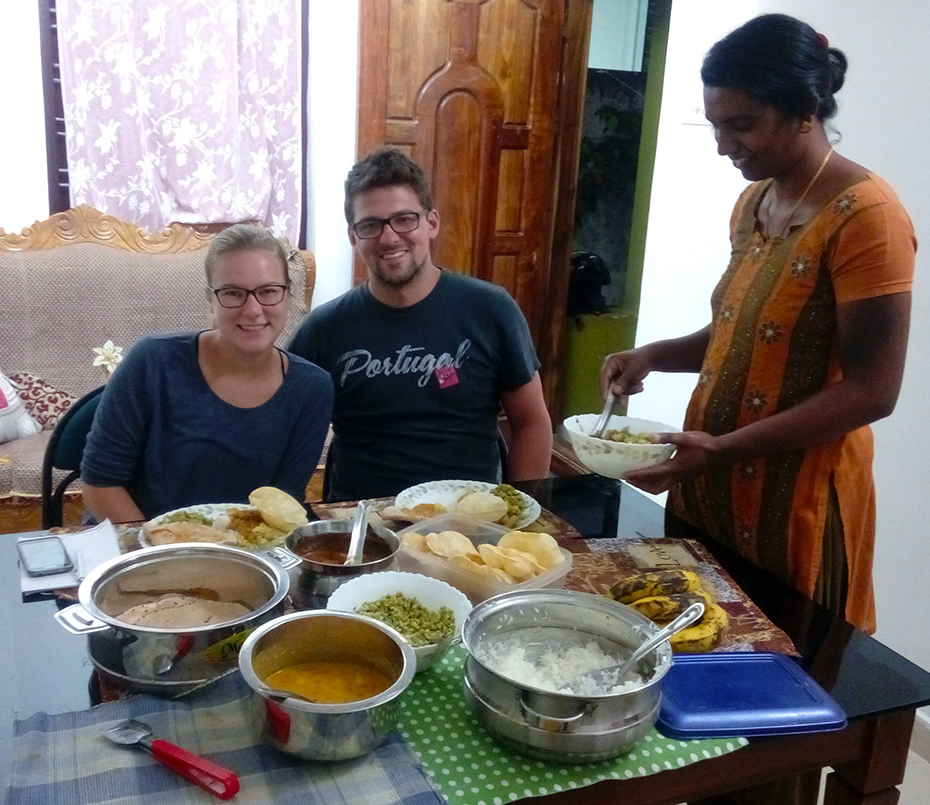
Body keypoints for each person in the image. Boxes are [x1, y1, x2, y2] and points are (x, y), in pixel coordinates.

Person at [602, 14, 915, 637]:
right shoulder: (755, 202)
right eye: (718, 124)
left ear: (804, 110)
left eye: (742, 124)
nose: (724, 144)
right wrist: (653, 355)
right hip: (710, 486)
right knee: (695, 642)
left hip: (793, 502)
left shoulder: (866, 217)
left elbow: (873, 391)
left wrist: (722, 449)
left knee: (790, 666)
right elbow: (744, 334)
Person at [289, 147, 552, 501]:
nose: (389, 237)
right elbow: (281, 423)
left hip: (469, 521)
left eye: (404, 219)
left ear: (431, 222)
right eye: (370, 225)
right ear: (353, 236)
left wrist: (518, 511)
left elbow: (531, 423)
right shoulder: (324, 329)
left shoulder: (490, 310)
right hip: (361, 524)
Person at [81, 224, 333, 521]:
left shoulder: (313, 389)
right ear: (210, 300)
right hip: (138, 545)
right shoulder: (152, 361)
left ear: (289, 296)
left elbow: (282, 504)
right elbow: (100, 484)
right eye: (232, 293)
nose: (253, 309)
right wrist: (165, 556)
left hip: (241, 551)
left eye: (268, 291)